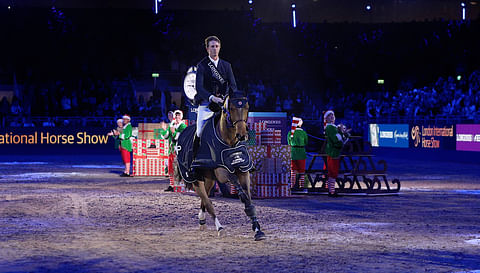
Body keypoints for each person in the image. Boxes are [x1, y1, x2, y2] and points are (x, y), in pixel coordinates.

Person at [189, 35, 238, 178]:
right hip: (206, 104)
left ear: (220, 48)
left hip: (223, 104)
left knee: (236, 126)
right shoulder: (202, 65)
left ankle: (238, 159)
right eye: (212, 46)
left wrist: (226, 97)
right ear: (207, 49)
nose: (214, 49)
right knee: (199, 131)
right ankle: (194, 162)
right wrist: (212, 97)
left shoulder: (226, 65)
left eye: (216, 46)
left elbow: (233, 85)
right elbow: (199, 87)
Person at [324, 110, 349, 197]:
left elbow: (340, 138)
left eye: (333, 115)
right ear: (326, 118)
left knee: (333, 171)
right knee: (333, 172)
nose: (332, 117)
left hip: (334, 151)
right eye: (330, 116)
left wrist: (342, 133)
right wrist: (342, 134)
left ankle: (331, 190)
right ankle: (331, 191)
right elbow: (337, 140)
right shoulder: (330, 128)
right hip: (333, 151)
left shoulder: (333, 127)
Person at [165, 110, 187, 191]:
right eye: (176, 116)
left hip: (179, 150)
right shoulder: (172, 125)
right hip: (171, 150)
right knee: (170, 168)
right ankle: (171, 185)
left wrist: (173, 131)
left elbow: (177, 137)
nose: (177, 117)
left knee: (178, 168)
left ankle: (179, 185)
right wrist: (165, 130)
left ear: (181, 117)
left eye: (179, 116)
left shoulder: (183, 126)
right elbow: (166, 136)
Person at [288, 118, 308, 190]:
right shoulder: (303, 133)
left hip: (293, 152)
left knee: (293, 170)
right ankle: (301, 186)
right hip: (301, 152)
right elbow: (306, 142)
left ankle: (292, 185)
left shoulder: (290, 133)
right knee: (301, 171)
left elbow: (289, 142)